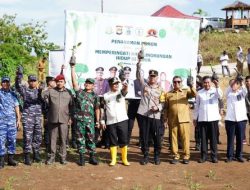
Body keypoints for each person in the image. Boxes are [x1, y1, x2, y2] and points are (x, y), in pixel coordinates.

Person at [70, 64, 100, 166]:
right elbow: (74, 82)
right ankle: (82, 158)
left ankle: (92, 157)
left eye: (90, 83)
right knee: (80, 138)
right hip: (80, 120)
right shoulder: (80, 93)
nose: (87, 84)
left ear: (93, 85)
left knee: (91, 138)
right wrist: (72, 68)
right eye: (86, 82)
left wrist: (98, 121)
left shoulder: (95, 96)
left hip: (90, 121)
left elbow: (97, 108)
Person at [136, 60, 164, 165]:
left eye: (154, 76)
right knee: (144, 136)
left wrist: (158, 108)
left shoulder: (161, 89)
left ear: (157, 78)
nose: (152, 78)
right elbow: (138, 75)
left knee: (156, 137)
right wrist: (138, 63)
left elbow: (163, 102)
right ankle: (146, 155)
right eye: (151, 76)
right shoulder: (144, 85)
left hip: (155, 116)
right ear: (149, 77)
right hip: (143, 115)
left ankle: (156, 156)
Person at [164, 76, 196, 164]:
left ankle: (186, 155)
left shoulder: (186, 92)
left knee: (185, 138)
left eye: (178, 82)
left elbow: (194, 94)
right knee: (173, 138)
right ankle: (176, 155)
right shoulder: (168, 94)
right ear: (172, 83)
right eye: (175, 82)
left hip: (184, 119)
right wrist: (165, 119)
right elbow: (166, 108)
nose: (176, 83)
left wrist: (191, 85)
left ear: (181, 82)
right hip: (172, 120)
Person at [42, 73, 73, 165]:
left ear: (64, 82)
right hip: (53, 119)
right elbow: (42, 95)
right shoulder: (51, 91)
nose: (59, 83)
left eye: (61, 81)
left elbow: (72, 106)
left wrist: (70, 117)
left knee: (63, 139)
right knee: (53, 139)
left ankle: (63, 158)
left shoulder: (69, 92)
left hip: (64, 119)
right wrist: (47, 87)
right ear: (55, 82)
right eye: (58, 81)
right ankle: (51, 157)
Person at [15, 73, 43, 165]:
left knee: (38, 136)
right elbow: (18, 86)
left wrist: (41, 89)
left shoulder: (40, 91)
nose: (33, 82)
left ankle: (36, 154)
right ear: (28, 82)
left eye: (34, 81)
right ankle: (27, 155)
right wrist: (19, 75)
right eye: (31, 81)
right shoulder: (25, 91)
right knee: (27, 137)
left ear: (37, 82)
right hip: (28, 118)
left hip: (38, 118)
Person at [194, 76, 223, 163]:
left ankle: (214, 156)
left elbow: (220, 95)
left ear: (211, 83)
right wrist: (195, 118)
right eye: (205, 82)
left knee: (213, 139)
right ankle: (204, 156)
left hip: (213, 119)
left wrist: (217, 86)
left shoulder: (215, 90)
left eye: (208, 82)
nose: (207, 84)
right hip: (202, 119)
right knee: (203, 139)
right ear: (203, 83)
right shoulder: (199, 93)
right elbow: (197, 107)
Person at [103, 77, 130, 166]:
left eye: (117, 83)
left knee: (123, 140)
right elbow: (104, 108)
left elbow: (124, 91)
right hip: (111, 122)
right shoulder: (106, 95)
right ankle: (113, 160)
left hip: (122, 120)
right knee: (113, 141)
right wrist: (102, 120)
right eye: (115, 84)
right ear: (110, 85)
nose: (116, 85)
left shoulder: (120, 93)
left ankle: (124, 159)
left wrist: (125, 87)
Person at [0, 76, 21, 169]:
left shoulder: (13, 94)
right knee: (1, 141)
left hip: (12, 121)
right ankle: (1, 160)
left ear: (9, 83)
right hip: (1, 122)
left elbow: (16, 107)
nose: (5, 83)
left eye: (7, 82)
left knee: (12, 140)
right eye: (3, 82)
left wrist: (18, 120)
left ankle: (10, 159)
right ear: (1, 83)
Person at [224, 78, 247, 163]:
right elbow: (226, 91)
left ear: (238, 85)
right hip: (230, 120)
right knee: (230, 139)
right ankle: (230, 156)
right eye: (231, 84)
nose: (233, 85)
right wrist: (232, 83)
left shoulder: (242, 93)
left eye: (235, 84)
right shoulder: (228, 93)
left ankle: (239, 155)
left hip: (241, 120)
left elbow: (245, 90)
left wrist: (241, 81)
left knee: (240, 138)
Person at [42, 76, 56, 153]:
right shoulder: (45, 91)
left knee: (54, 129)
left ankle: (53, 144)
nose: (55, 83)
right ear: (50, 83)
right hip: (48, 112)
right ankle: (47, 145)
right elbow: (44, 103)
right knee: (47, 129)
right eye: (53, 81)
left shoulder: (55, 90)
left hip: (55, 112)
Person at [245, 76, 250, 145]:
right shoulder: (243, 90)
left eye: (248, 81)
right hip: (244, 111)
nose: (247, 82)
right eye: (246, 81)